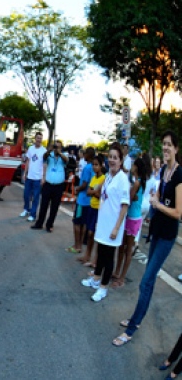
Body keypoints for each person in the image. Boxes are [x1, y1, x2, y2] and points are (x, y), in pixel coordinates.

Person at [113, 131, 182, 347]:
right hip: (157, 230)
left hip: (168, 236)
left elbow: (179, 212)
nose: (166, 148)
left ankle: (132, 328)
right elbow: (161, 195)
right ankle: (138, 318)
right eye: (164, 144)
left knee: (146, 281)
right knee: (148, 281)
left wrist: (159, 205)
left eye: (170, 145)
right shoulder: (163, 170)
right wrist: (155, 199)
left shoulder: (180, 174)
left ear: (176, 149)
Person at [80, 143, 129, 302]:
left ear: (121, 161)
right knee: (101, 253)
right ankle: (95, 279)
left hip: (112, 227)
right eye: (110, 157)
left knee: (108, 258)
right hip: (103, 223)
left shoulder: (122, 179)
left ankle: (103, 287)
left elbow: (124, 206)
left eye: (115, 158)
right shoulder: (108, 176)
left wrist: (116, 228)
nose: (112, 160)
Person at [112, 157, 148, 288]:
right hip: (131, 218)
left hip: (132, 219)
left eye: (133, 165)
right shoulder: (138, 182)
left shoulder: (137, 183)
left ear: (137, 167)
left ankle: (121, 277)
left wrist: (130, 192)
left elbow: (129, 198)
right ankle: (117, 273)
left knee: (126, 249)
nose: (131, 167)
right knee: (122, 247)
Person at [31, 139, 67, 233]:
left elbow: (66, 160)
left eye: (58, 147)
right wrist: (49, 150)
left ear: (61, 148)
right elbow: (44, 157)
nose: (56, 149)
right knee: (43, 205)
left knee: (54, 207)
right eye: (55, 146)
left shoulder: (64, 156)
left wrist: (59, 153)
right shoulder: (49, 155)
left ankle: (49, 225)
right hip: (48, 184)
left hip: (59, 186)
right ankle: (39, 224)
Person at [76, 154, 105, 266]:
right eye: (93, 164)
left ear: (101, 165)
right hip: (91, 207)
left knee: (94, 233)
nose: (94, 167)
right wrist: (94, 192)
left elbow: (100, 194)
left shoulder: (104, 178)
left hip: (99, 209)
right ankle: (87, 255)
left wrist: (94, 192)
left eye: (96, 165)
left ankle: (95, 260)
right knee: (89, 233)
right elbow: (89, 192)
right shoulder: (93, 178)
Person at [67, 147, 95, 254]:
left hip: (82, 200)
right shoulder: (93, 167)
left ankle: (77, 245)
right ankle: (79, 246)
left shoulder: (87, 168)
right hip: (89, 201)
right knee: (83, 224)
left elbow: (84, 184)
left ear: (88, 154)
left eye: (85, 153)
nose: (83, 155)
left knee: (77, 223)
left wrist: (77, 189)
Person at [20, 132, 46, 222]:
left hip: (38, 178)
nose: (39, 140)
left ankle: (33, 214)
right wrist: (25, 173)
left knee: (35, 197)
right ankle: (26, 209)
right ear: (35, 138)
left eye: (40, 138)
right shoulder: (31, 148)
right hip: (29, 177)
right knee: (26, 195)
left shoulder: (44, 151)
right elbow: (27, 161)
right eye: (38, 138)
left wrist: (43, 177)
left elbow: (44, 165)